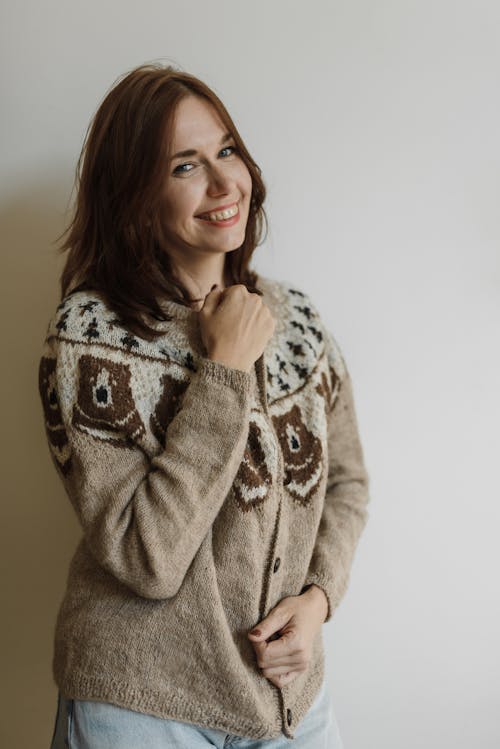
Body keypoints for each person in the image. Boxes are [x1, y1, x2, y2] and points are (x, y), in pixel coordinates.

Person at [38, 63, 370, 748]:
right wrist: (222, 370)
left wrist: (317, 602)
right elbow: (145, 556)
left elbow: (346, 481)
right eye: (185, 166)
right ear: (134, 195)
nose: (225, 183)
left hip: (286, 694)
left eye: (227, 150)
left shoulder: (296, 318)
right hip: (142, 700)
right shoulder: (90, 335)